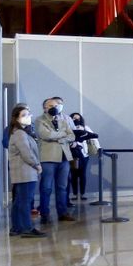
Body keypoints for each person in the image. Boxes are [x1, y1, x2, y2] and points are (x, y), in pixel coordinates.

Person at [34, 96, 76, 226]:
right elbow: (46, 135)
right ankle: (45, 214)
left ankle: (62, 213)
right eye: (51, 106)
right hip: (48, 158)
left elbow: (72, 135)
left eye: (56, 106)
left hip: (64, 157)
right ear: (45, 108)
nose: (55, 108)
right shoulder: (39, 120)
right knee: (46, 187)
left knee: (62, 187)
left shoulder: (64, 119)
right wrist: (63, 135)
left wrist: (61, 136)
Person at [6, 104, 45, 237]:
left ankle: (17, 227)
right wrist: (37, 165)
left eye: (28, 114)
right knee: (24, 201)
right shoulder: (19, 134)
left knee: (19, 201)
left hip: (22, 172)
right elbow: (27, 153)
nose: (28, 117)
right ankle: (26, 228)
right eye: (24, 115)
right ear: (16, 118)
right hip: (25, 172)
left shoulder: (21, 132)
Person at [69, 113, 99, 202]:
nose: (76, 120)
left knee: (83, 175)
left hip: (84, 155)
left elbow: (94, 138)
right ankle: (74, 194)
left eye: (78, 118)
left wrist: (99, 148)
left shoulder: (86, 127)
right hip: (72, 155)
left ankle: (82, 194)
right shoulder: (69, 128)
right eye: (74, 118)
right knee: (73, 175)